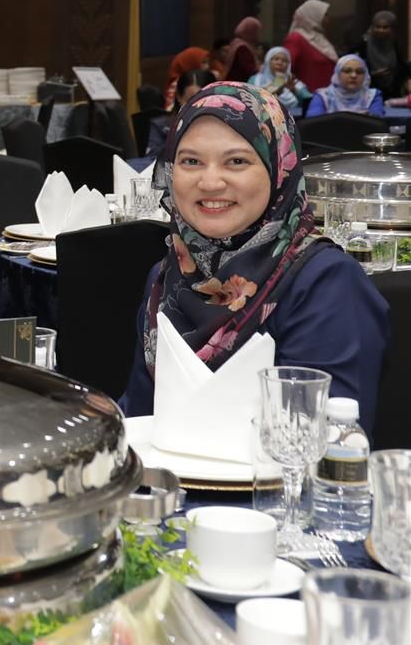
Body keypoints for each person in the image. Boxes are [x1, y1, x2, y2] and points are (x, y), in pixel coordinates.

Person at [120, 83, 386, 434]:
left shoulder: (326, 282)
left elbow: (326, 436)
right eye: (191, 161)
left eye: (237, 161)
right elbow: (137, 417)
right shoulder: (168, 275)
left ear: (279, 170)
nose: (210, 182)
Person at [145, 69, 214, 159]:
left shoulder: (226, 125)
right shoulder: (161, 126)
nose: (197, 106)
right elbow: (152, 159)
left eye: (204, 100)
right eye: (190, 101)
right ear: (179, 97)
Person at [282, 0, 338, 93]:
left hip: (328, 96)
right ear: (313, 15)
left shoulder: (320, 38)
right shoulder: (296, 39)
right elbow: (282, 70)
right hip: (308, 97)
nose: (328, 20)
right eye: (325, 15)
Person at [351, 10, 410, 97]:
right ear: (372, 27)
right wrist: (372, 74)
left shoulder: (394, 43)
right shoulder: (363, 44)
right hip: (368, 93)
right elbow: (351, 66)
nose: (381, 30)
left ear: (392, 29)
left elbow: (402, 67)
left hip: (393, 93)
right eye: (377, 27)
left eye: (385, 27)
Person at [305, 54, 384, 117]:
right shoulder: (323, 96)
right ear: (337, 74)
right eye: (347, 71)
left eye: (359, 72)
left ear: (365, 76)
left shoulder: (372, 96)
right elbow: (313, 121)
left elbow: (376, 120)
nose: (353, 75)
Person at [251, 46, 310, 113]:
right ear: (268, 61)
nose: (280, 63)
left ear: (288, 65)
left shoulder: (294, 82)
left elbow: (309, 101)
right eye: (276, 59)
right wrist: (278, 85)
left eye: (284, 61)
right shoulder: (256, 80)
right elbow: (250, 99)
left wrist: (294, 91)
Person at [224, 16, 262, 83]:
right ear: (250, 31)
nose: (257, 35)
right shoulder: (242, 48)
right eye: (255, 31)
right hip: (238, 83)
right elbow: (250, 69)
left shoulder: (237, 43)